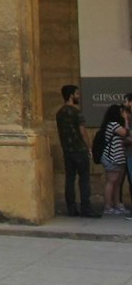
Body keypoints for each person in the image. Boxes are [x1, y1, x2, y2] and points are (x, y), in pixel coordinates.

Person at [55, 84, 98, 218]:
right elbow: (82, 132)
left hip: (67, 150)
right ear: (71, 95)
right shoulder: (76, 112)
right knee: (84, 179)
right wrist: (89, 147)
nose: (78, 96)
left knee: (70, 179)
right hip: (79, 149)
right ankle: (86, 208)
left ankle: (71, 208)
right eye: (77, 94)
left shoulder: (59, 113)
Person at [96, 102, 130, 216]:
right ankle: (108, 206)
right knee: (111, 181)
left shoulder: (114, 124)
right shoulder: (113, 124)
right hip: (112, 157)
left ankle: (117, 203)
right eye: (122, 112)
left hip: (119, 157)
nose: (123, 114)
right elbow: (125, 133)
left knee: (117, 183)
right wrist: (126, 120)